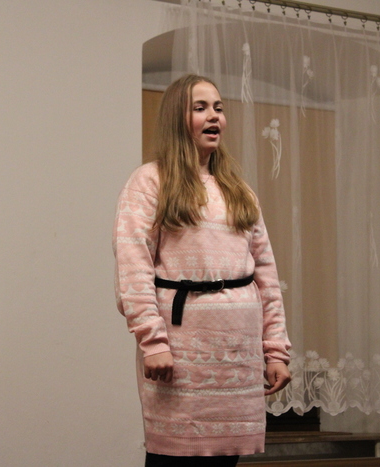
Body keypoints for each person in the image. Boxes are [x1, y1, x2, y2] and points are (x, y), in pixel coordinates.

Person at [113, 74, 292, 467]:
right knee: (174, 459)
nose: (214, 116)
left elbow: (266, 276)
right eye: (200, 108)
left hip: (237, 355)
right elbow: (133, 266)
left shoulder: (239, 191)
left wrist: (275, 350)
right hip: (181, 356)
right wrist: (153, 343)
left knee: (223, 463)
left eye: (218, 108)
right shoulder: (150, 181)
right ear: (178, 118)